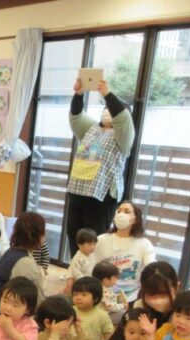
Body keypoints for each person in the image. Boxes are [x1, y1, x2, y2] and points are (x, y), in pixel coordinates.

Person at [65, 78, 135, 255]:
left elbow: (123, 118)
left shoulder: (123, 135)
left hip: (101, 196)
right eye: (105, 109)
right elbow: (76, 116)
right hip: (78, 190)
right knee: (74, 234)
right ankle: (76, 266)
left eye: (110, 110)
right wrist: (78, 95)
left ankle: (93, 271)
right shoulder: (92, 128)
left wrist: (107, 94)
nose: (106, 112)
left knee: (94, 238)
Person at [91, 202, 156, 302]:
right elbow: (88, 263)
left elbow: (151, 267)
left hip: (132, 296)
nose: (121, 214)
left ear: (135, 219)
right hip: (103, 295)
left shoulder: (144, 244)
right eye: (119, 211)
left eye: (127, 211)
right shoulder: (101, 240)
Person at [0, 212, 46, 318]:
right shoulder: (26, 263)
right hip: (10, 317)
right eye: (43, 232)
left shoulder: (9, 252)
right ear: (37, 235)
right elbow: (34, 301)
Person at [72, 276, 114, 340]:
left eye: (84, 295)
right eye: (75, 294)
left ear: (95, 298)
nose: (78, 298)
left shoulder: (102, 315)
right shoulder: (70, 311)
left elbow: (109, 337)